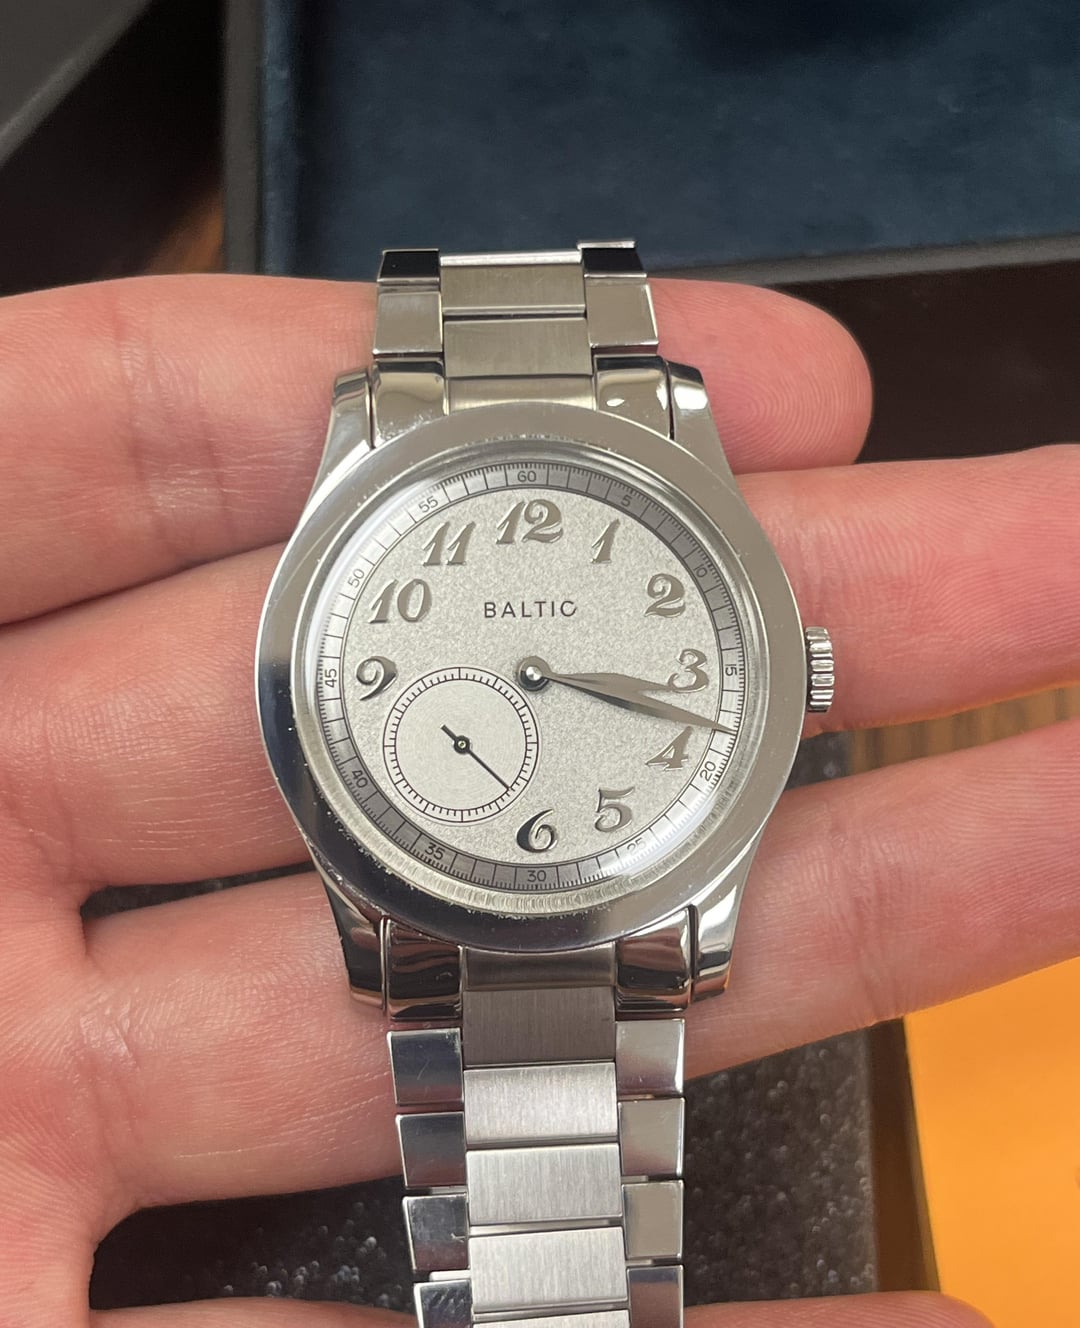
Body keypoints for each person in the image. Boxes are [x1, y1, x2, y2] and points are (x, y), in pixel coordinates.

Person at [1, 273, 1076, 1327]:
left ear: (798, 669)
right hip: (444, 906)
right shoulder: (440, 462)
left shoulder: (531, 461)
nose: (533, 672)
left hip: (598, 899)